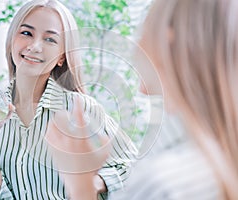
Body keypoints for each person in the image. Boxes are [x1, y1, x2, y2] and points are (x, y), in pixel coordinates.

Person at [46, 0, 238, 199]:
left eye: (143, 31)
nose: (134, 46)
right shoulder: (209, 154)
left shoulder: (162, 185)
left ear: (166, 42)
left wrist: (82, 185)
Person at [0, 0, 138, 199]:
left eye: (50, 40)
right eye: (26, 33)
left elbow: (133, 167)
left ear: (62, 57)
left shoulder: (81, 109)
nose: (35, 46)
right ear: (12, 39)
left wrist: (94, 183)